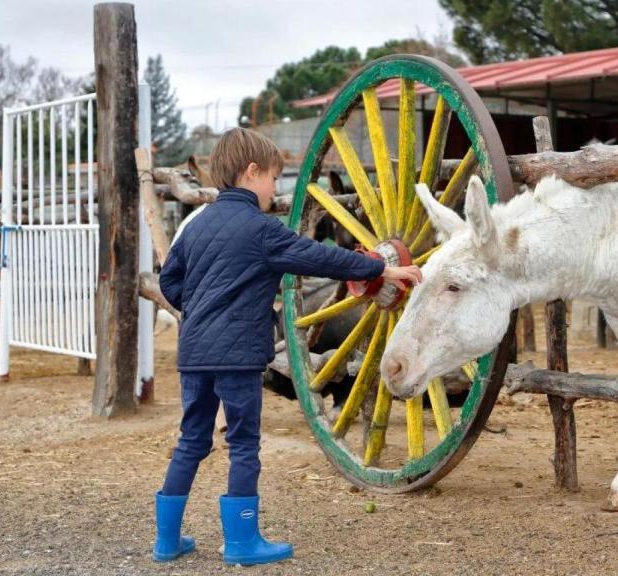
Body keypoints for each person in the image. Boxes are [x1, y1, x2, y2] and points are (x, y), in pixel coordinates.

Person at [154, 128, 422, 565]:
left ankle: (166, 542)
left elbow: (170, 281)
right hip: (238, 354)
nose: (274, 189)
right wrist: (379, 268)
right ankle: (241, 542)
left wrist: (201, 307)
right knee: (243, 443)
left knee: (192, 440)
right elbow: (321, 257)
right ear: (252, 172)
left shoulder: (196, 225)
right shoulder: (263, 230)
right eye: (273, 179)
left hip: (195, 353)